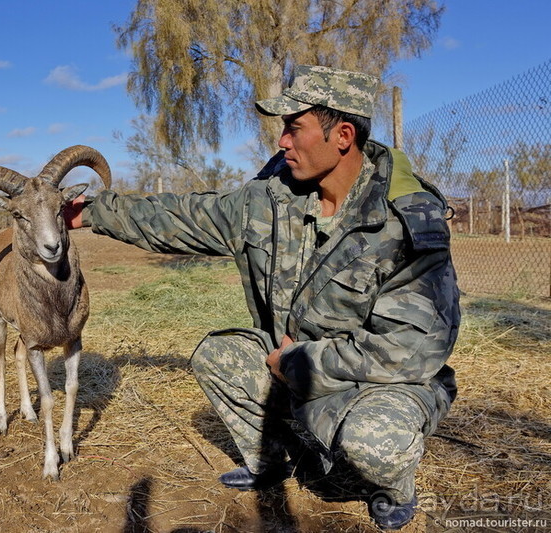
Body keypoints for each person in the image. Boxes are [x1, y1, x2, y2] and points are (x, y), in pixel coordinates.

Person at [65, 65, 460, 530]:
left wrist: (300, 363)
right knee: (220, 353)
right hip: (291, 364)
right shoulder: (271, 199)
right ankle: (273, 462)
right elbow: (183, 216)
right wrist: (92, 213)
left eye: (294, 129)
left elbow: (412, 350)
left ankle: (392, 489)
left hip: (378, 382)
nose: (282, 142)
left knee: (375, 442)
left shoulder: (404, 220)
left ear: (343, 135)